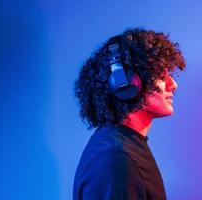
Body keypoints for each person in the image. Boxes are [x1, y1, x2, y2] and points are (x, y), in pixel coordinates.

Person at [73, 28, 186, 200]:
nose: (173, 84)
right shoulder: (115, 160)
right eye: (161, 75)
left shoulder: (126, 147)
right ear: (125, 83)